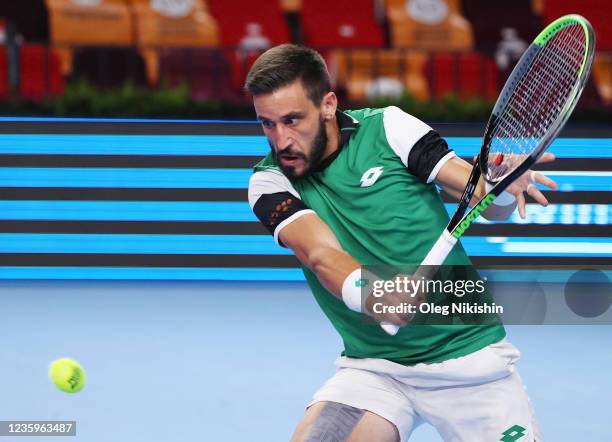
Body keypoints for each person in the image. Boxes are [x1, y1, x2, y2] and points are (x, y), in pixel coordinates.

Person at [246, 44, 555, 441]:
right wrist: (372, 293)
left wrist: (504, 186)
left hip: (471, 364)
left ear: (327, 104)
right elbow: (320, 254)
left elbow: (484, 200)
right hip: (375, 370)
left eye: (292, 120)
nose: (281, 140)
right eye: (267, 124)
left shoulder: (389, 129)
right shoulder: (270, 182)